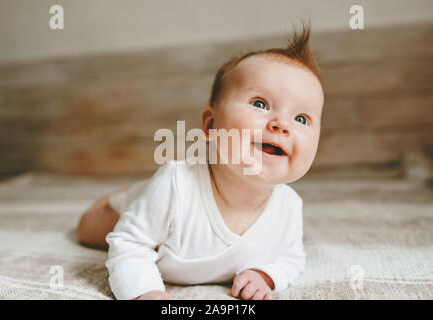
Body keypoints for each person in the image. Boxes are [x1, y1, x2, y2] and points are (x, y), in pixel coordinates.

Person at [76, 23, 324, 300]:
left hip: (162, 210)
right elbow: (128, 245)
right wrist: (144, 292)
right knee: (87, 229)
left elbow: (291, 258)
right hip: (146, 208)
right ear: (210, 124)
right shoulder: (175, 185)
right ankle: (126, 198)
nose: (281, 124)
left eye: (301, 119)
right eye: (260, 104)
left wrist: (265, 275)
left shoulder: (289, 207)